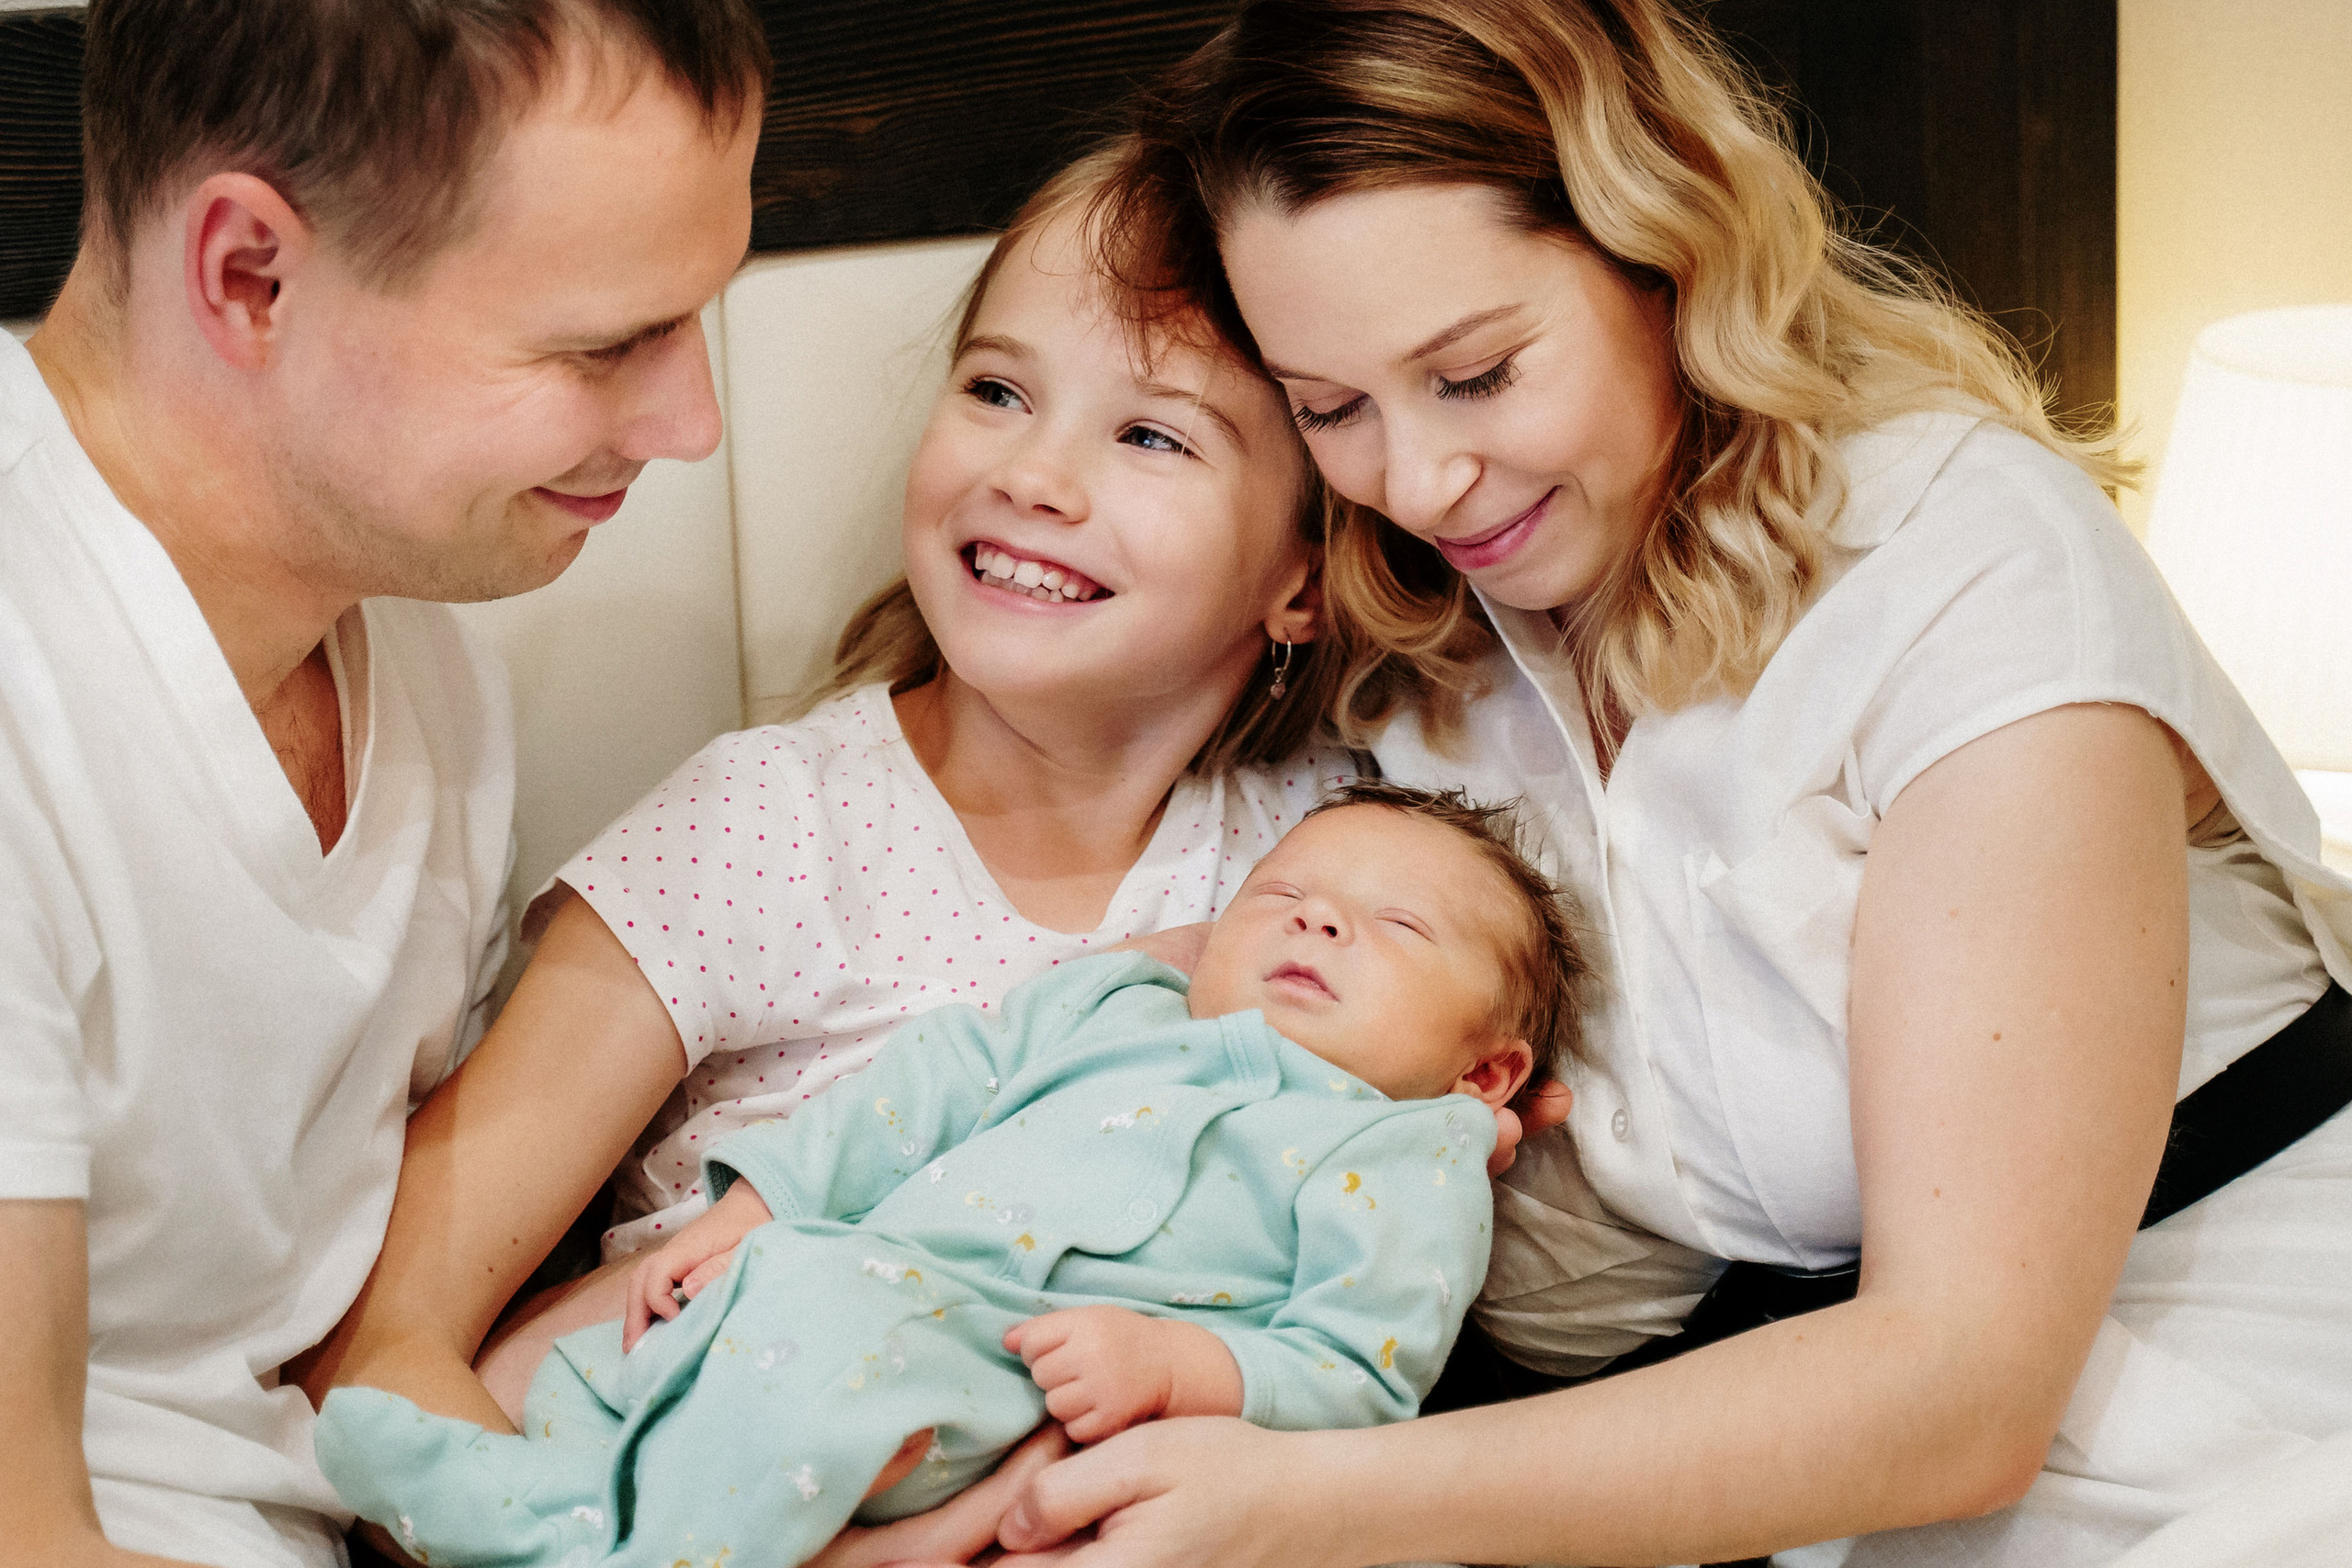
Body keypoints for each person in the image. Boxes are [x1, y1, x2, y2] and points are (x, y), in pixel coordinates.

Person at [940, 3, 2352, 1565]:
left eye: (1477, 374)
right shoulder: (1420, 623)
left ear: (1665, 255)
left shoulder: (1965, 576)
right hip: (1747, 1461)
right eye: (1330, 407)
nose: (1418, 481)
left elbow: (1963, 1391)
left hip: (2223, 1424)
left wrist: (1303, 1505)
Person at [300, 141, 1561, 1567]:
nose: (1034, 474)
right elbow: (378, 1354)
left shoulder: (1340, 860)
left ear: (1303, 575)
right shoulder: (762, 831)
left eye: (1153, 437)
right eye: (997, 391)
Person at [0, 4, 767, 1565]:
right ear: (249, 275)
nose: (692, 423)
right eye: (605, 343)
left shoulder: (424, 662)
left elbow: (351, 1363)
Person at [310, 785, 1581, 1568]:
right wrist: (755, 1208)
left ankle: (605, 1544)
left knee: (810, 1347)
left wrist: (1177, 1366)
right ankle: (572, 1506)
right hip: (858, 1288)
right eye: (1282, 893)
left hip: (1015, 1382)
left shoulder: (1409, 1154)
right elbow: (916, 1093)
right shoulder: (1117, 1005)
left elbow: (1362, 1373)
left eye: (1398, 926)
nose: (1316, 918)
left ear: (1487, 1071)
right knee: (676, 1344)